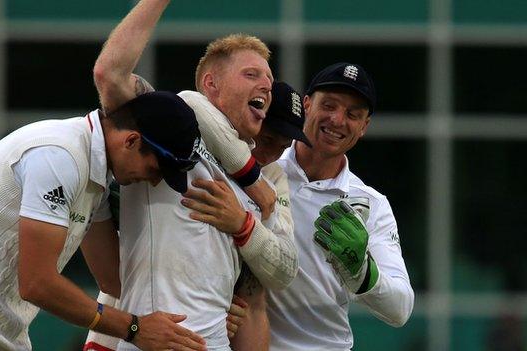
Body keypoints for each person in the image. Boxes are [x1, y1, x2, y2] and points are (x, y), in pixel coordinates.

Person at [0, 81, 206, 351]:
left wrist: (205, 307)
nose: (153, 181)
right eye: (155, 169)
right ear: (131, 141)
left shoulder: (95, 171)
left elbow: (114, 279)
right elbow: (36, 283)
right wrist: (133, 328)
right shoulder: (59, 156)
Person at [84, 1, 299, 350]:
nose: (266, 87)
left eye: (270, 82)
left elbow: (285, 272)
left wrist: (243, 224)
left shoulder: (268, 178)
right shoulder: (164, 134)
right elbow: (109, 74)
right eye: (251, 74)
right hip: (150, 340)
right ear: (210, 84)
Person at [265, 62, 415, 350]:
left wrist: (361, 271)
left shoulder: (371, 204)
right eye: (329, 105)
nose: (337, 120)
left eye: (352, 114)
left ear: (363, 127)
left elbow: (401, 308)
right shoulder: (261, 168)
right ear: (307, 105)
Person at [181, 81, 312, 351]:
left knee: (253, 291)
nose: (271, 154)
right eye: (267, 140)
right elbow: (187, 100)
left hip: (212, 321)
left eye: (283, 145)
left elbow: (284, 270)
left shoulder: (274, 174)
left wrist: (243, 224)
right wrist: (249, 174)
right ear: (253, 117)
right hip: (146, 308)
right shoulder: (195, 139)